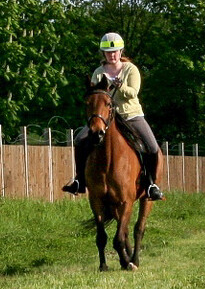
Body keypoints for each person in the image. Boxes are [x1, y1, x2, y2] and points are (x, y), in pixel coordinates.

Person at [62, 32, 165, 200]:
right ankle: (79, 179)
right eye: (108, 52)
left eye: (115, 51)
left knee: (152, 147)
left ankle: (151, 184)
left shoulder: (131, 70)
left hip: (131, 116)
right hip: (104, 118)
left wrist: (119, 86)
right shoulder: (98, 72)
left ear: (121, 51)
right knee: (80, 141)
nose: (112, 55)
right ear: (103, 53)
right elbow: (95, 93)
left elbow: (133, 92)